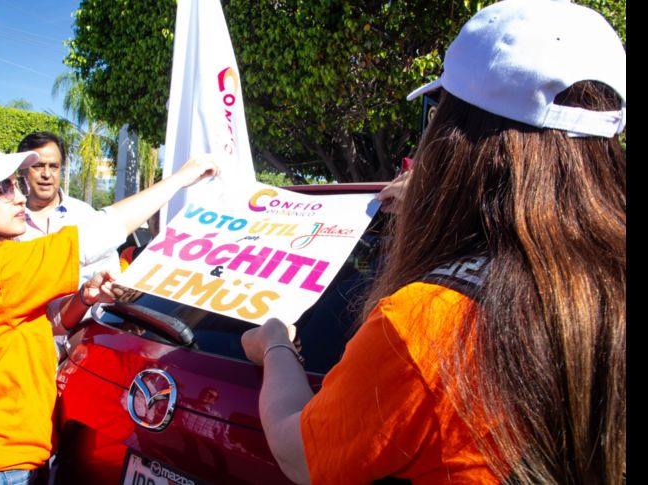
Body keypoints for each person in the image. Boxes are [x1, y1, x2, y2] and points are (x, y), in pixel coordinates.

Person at [241, 1, 625, 483]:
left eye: (436, 112)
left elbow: (299, 453)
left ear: (457, 140)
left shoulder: (427, 325)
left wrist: (275, 344)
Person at [0, 136, 217, 483]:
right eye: (2, 189)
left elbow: (40, 324)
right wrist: (181, 178)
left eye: (14, 184)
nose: (20, 195)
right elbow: (104, 229)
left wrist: (83, 298)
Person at [16, 131, 120, 281]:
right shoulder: (10, 220)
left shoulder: (85, 215)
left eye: (53, 166)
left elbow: (110, 272)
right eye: (38, 166)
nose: (46, 174)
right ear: (22, 170)